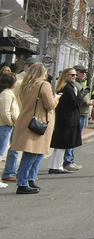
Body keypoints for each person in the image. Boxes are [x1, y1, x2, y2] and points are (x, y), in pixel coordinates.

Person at [11, 63, 58, 194]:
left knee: (32, 152)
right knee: (32, 153)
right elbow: (50, 105)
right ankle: (23, 182)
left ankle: (28, 179)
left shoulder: (26, 84)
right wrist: (56, 99)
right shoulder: (44, 85)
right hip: (39, 122)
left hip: (26, 119)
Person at [46, 66, 85, 174]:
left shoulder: (68, 87)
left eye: (75, 75)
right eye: (72, 75)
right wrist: (82, 95)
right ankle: (57, 166)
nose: (75, 77)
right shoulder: (67, 88)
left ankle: (54, 165)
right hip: (67, 119)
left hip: (66, 118)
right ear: (65, 76)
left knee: (61, 145)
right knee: (62, 144)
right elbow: (74, 104)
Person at [0, 71, 18, 187]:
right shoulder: (6, 93)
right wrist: (11, 123)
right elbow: (5, 112)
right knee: (0, 153)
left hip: (5, 126)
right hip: (4, 126)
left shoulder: (7, 92)